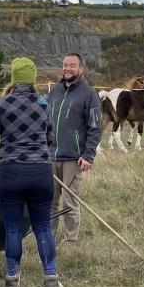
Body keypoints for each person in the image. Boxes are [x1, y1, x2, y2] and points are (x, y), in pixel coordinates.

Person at [0, 57, 62, 287]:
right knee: (43, 227)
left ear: (13, 78)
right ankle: (51, 280)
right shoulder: (44, 103)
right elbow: (51, 140)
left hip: (10, 174)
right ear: (32, 79)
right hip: (41, 173)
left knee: (12, 228)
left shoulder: (1, 104)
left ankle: (12, 283)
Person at [47, 52, 102, 246]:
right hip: (51, 157)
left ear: (81, 69)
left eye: (72, 65)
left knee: (69, 203)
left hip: (74, 159)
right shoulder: (54, 92)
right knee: (49, 202)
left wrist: (88, 155)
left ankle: (71, 242)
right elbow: (46, 123)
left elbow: (95, 127)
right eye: (65, 65)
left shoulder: (89, 94)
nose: (68, 69)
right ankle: (49, 239)